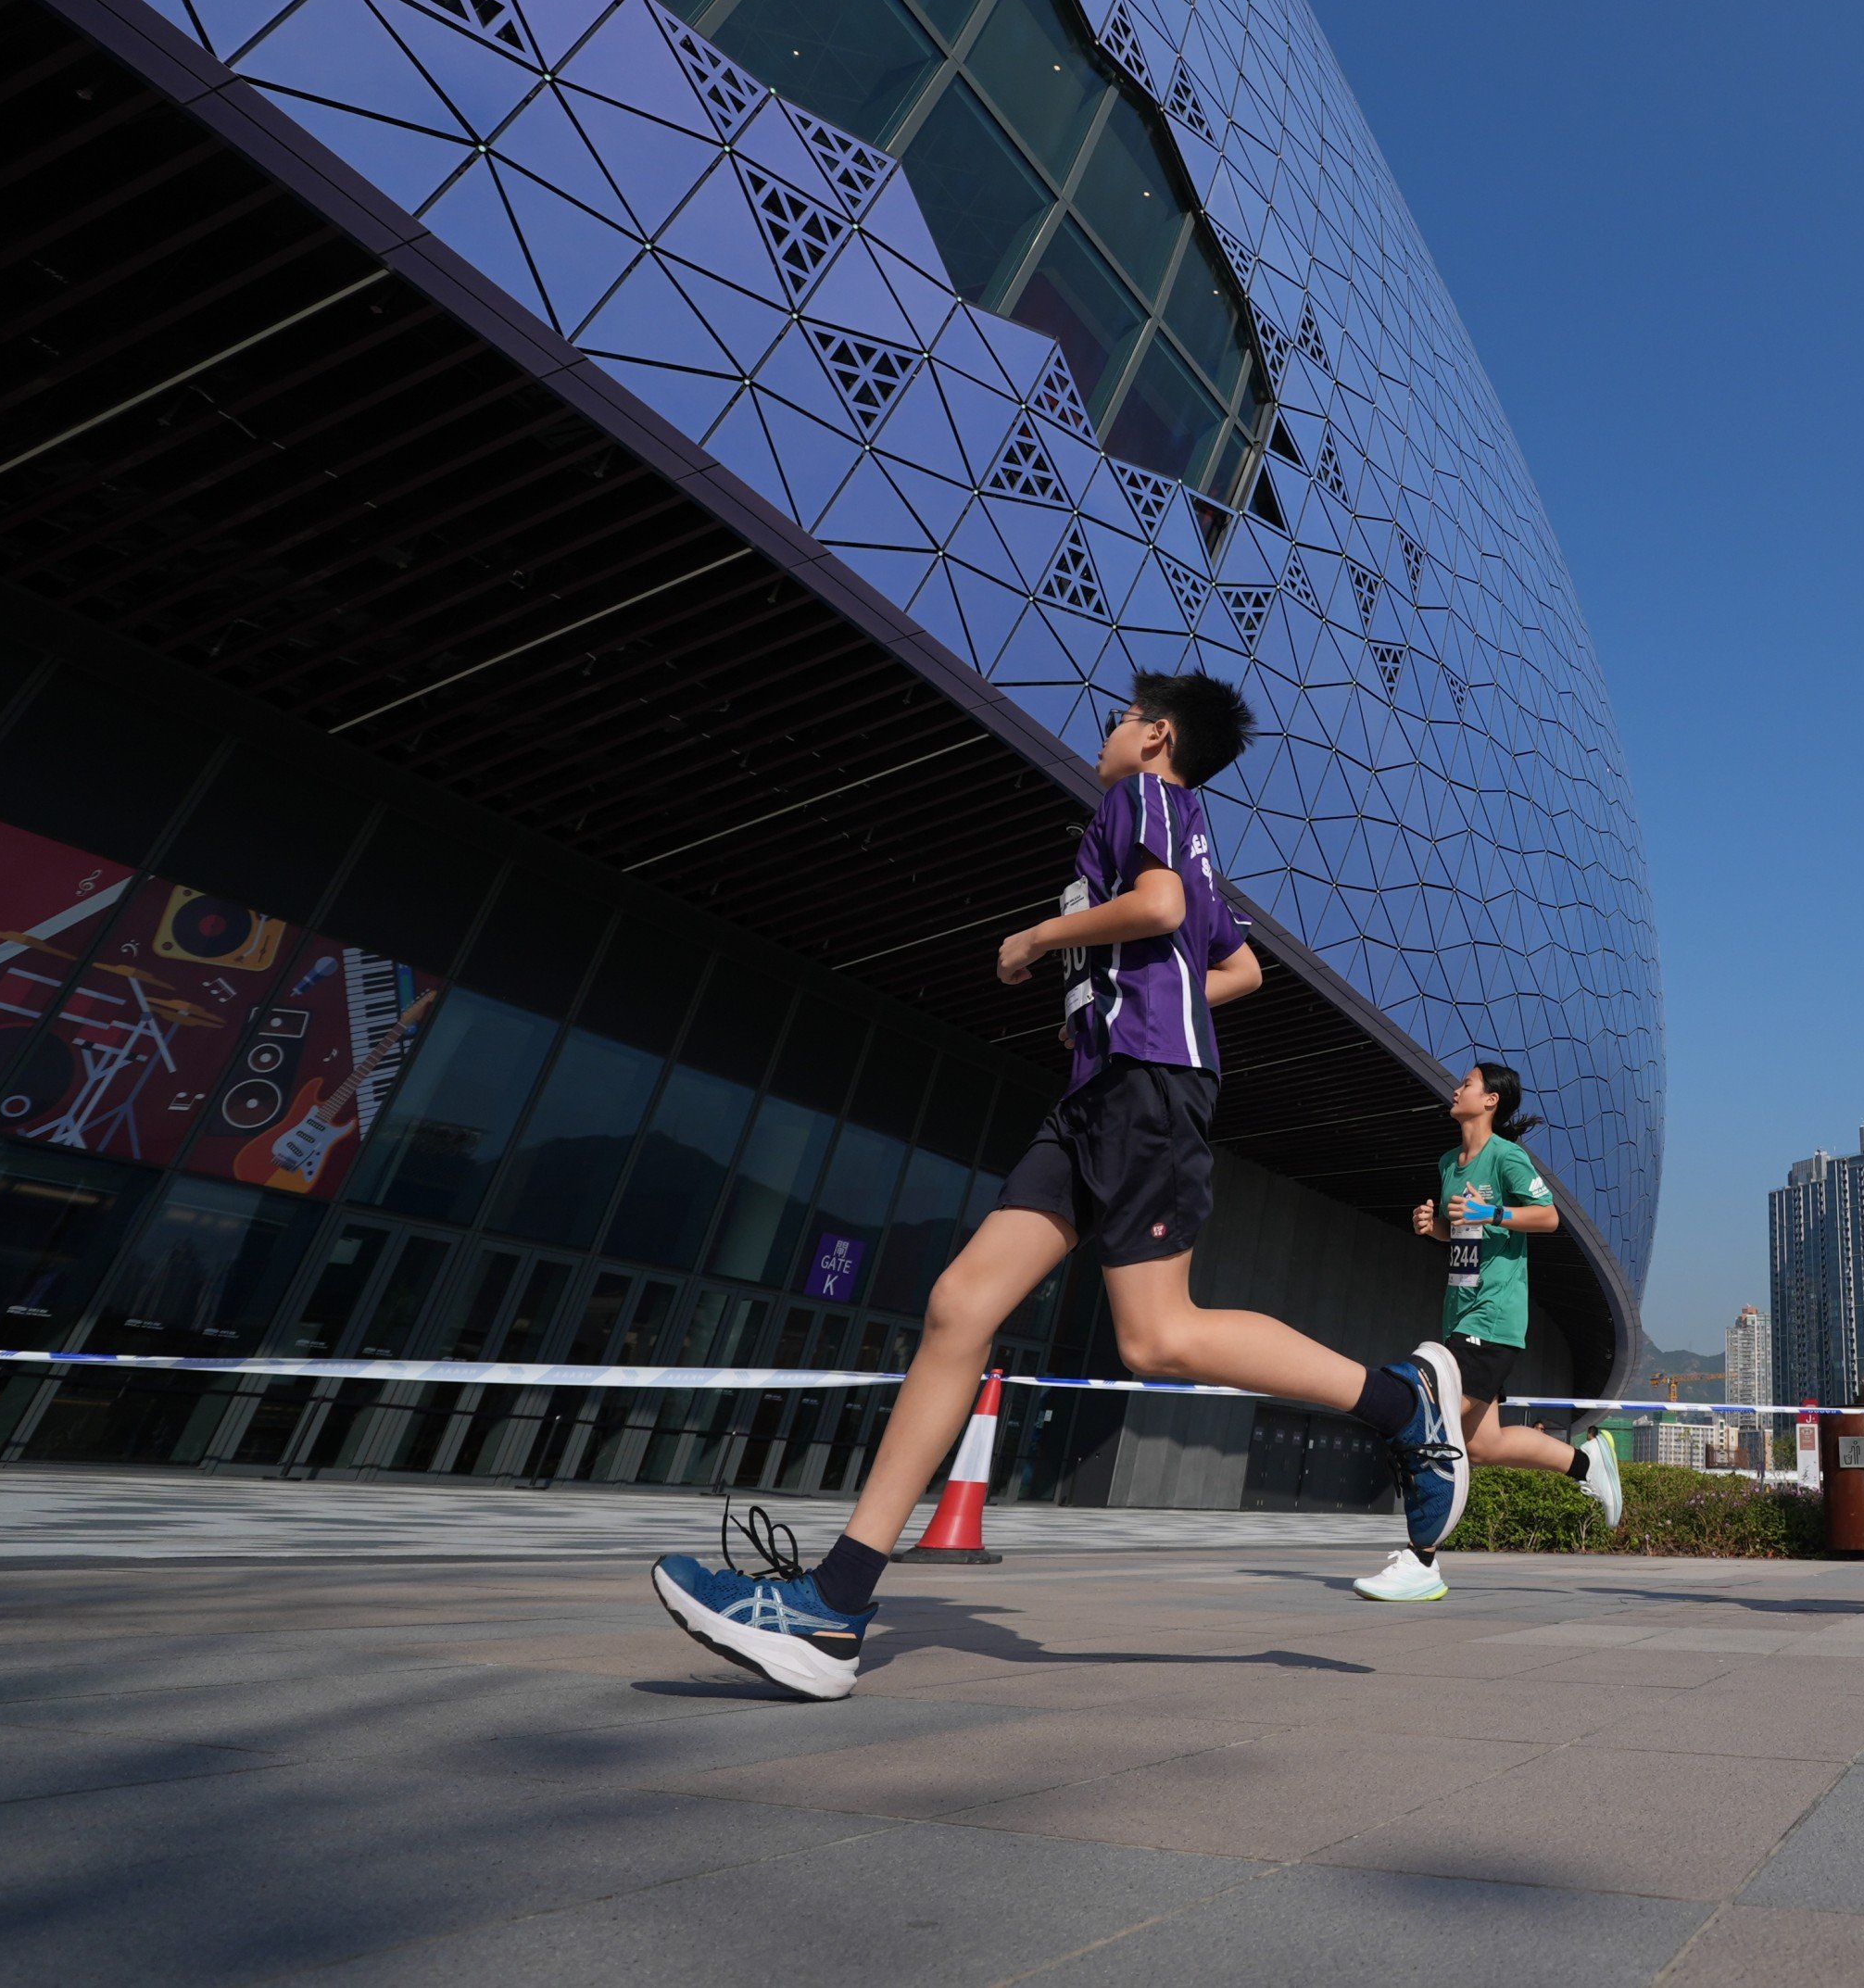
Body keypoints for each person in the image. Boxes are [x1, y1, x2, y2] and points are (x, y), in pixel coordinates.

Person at [651, 673, 1475, 1697]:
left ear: (1157, 736)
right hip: (1098, 1093)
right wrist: (1119, 1000)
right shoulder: (1189, 831)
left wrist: (1039, 942)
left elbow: (1161, 906)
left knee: (1155, 1336)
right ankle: (835, 1610)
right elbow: (1239, 972)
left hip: (1142, 1093)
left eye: (1123, 717)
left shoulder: (1145, 801)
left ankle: (1403, 1408)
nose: (1109, 731)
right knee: (962, 1306)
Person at [1356, 1061, 1626, 1600]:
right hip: (1459, 1311)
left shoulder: (1507, 1156)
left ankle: (1422, 1560)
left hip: (1493, 1316)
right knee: (1483, 1444)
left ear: (1490, 1102)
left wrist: (1491, 1209)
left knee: (1429, 1419)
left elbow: (1547, 1218)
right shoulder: (1449, 1163)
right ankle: (1585, 1461)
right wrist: (1433, 1227)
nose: (1457, 1089)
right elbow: (1462, 1235)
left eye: (1468, 1084)